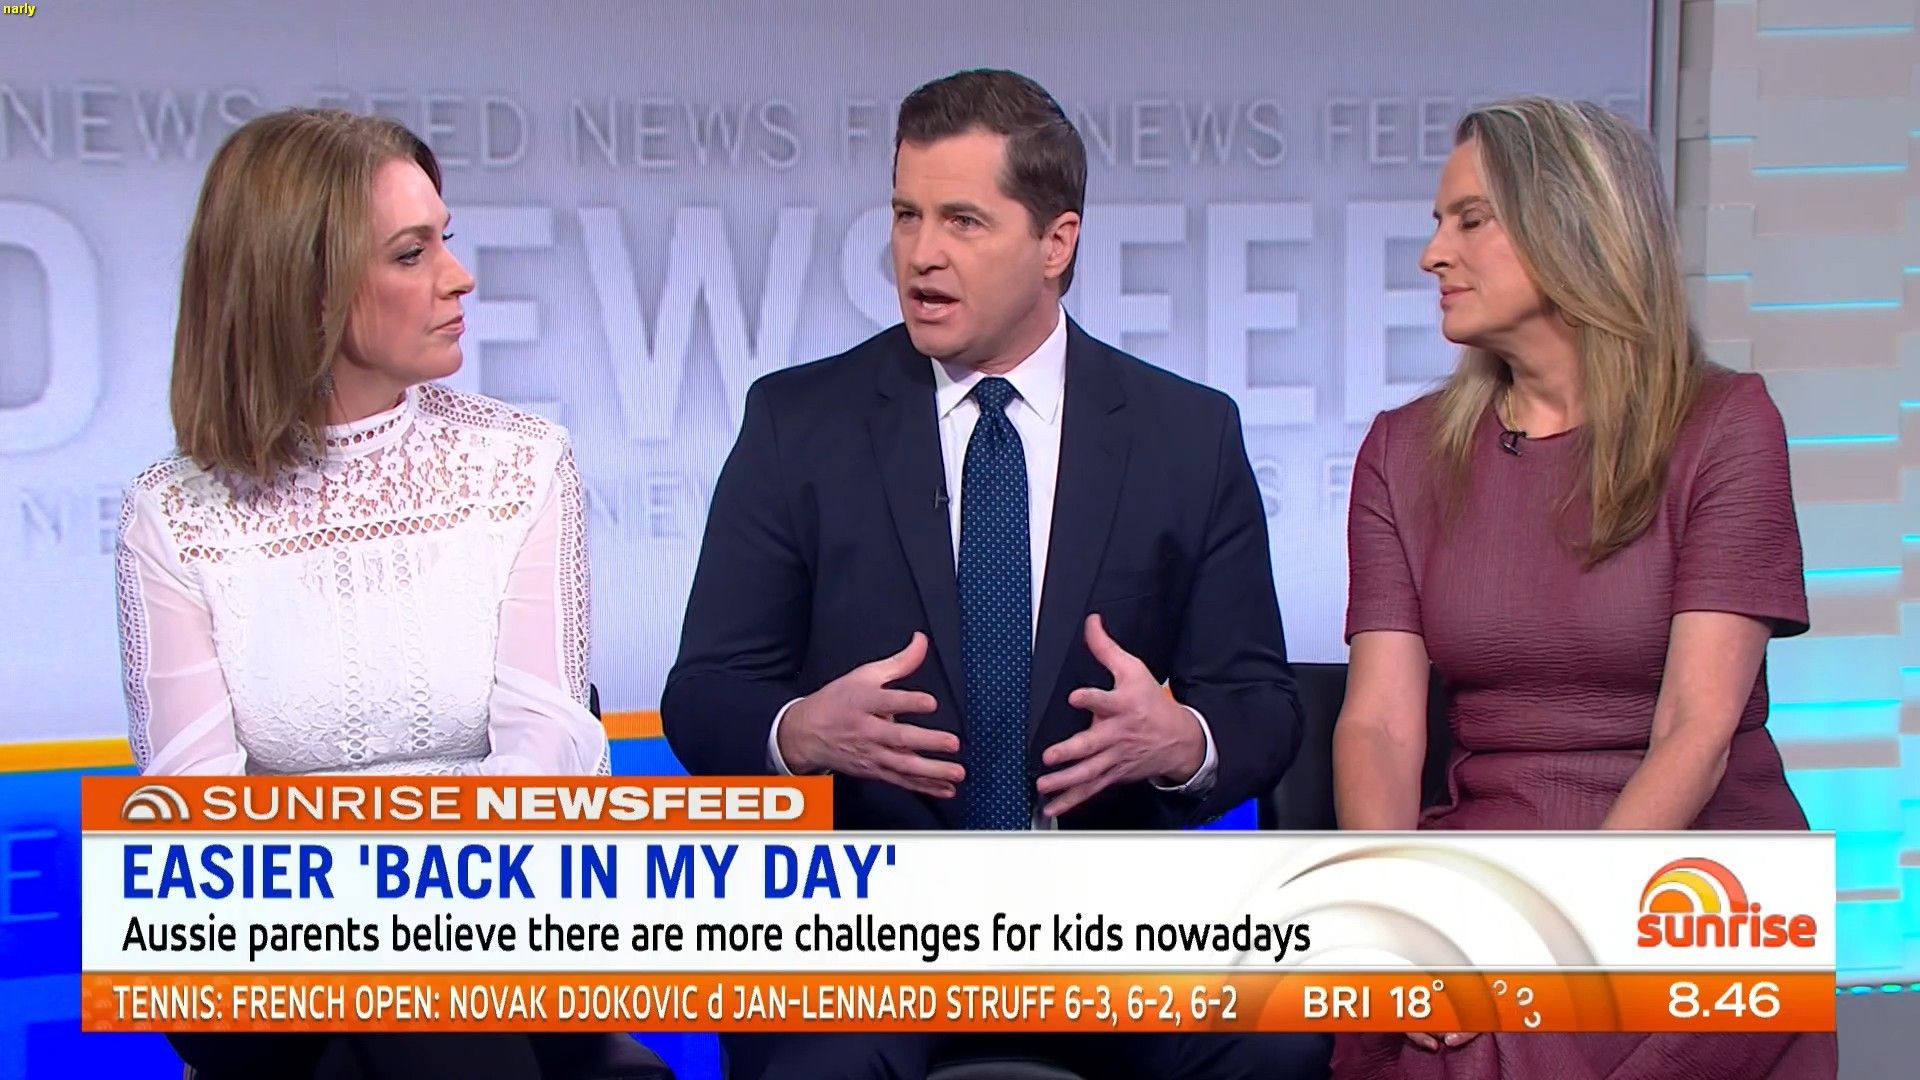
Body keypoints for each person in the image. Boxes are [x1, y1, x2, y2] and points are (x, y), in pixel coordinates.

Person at [663, 68, 1324, 1080]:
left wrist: (1178, 741)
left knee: (1276, 1043)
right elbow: (705, 693)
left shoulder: (1186, 435)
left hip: (1108, 923)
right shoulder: (798, 423)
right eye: (905, 215)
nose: (921, 254)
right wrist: (802, 731)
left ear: (1056, 243)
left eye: (963, 221)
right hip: (870, 926)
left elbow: (1260, 704)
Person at [1331, 97, 1838, 1079]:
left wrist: (1551, 941)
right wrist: (1405, 920)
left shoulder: (1725, 426)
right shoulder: (1401, 453)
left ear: (1571, 227)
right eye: (1438, 223)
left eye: (1470, 220)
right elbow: (1381, 725)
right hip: (1493, 854)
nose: (1433, 254)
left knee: (1501, 1046)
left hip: (1703, 876)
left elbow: (1694, 730)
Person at [114, 108, 607, 1079]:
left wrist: (397, 879)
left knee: (430, 1011)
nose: (459, 278)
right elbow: (193, 815)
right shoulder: (171, 515)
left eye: (445, 241)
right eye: (411, 254)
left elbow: (549, 748)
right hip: (270, 953)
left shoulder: (521, 465)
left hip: (501, 917)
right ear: (306, 290)